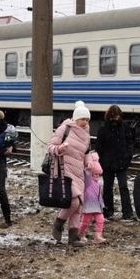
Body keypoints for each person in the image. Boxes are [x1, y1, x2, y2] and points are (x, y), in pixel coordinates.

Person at [48, 100, 92, 246]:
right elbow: (50, 146)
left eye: (87, 119)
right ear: (75, 118)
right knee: (73, 201)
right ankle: (58, 223)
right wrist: (59, 149)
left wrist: (89, 162)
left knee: (79, 204)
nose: (85, 122)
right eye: (82, 119)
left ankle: (73, 237)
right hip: (64, 169)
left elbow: (86, 152)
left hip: (79, 171)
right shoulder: (65, 128)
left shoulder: (86, 133)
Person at [94, 104, 135, 220]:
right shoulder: (104, 129)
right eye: (113, 117)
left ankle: (126, 212)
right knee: (108, 187)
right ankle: (109, 210)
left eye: (116, 117)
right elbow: (99, 147)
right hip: (109, 163)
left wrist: (128, 156)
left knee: (122, 187)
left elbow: (129, 142)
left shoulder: (122, 127)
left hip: (119, 162)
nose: (115, 119)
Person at [78, 152, 106, 244]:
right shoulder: (88, 181)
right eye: (95, 174)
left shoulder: (99, 184)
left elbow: (99, 196)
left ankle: (98, 236)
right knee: (85, 222)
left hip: (97, 207)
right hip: (88, 206)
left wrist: (101, 205)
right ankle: (80, 234)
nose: (97, 176)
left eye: (98, 174)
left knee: (100, 220)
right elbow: (86, 174)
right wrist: (88, 168)